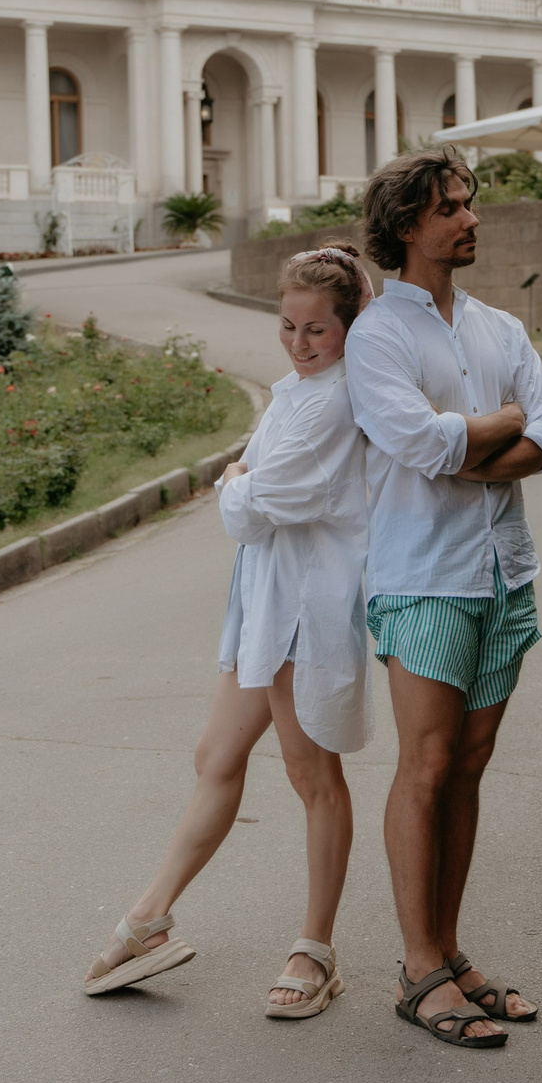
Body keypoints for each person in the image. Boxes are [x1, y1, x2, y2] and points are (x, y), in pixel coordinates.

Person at [83, 244, 377, 1019]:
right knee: (216, 754)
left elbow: (247, 502)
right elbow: (245, 490)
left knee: (313, 778)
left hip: (306, 607)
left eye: (317, 328)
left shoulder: (337, 402)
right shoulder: (294, 392)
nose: (300, 342)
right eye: (288, 325)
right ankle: (149, 918)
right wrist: (242, 485)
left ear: (349, 326)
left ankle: (315, 949)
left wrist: (240, 485)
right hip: (262, 603)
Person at [344, 149, 542, 1049]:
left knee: (468, 769)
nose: (470, 219)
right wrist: (500, 427)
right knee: (427, 767)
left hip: (501, 571)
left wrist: (494, 438)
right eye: (451, 208)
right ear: (407, 226)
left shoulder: (500, 328)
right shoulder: (377, 335)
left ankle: (449, 950)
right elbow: (419, 445)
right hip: (422, 577)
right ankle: (416, 967)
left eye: (470, 203)